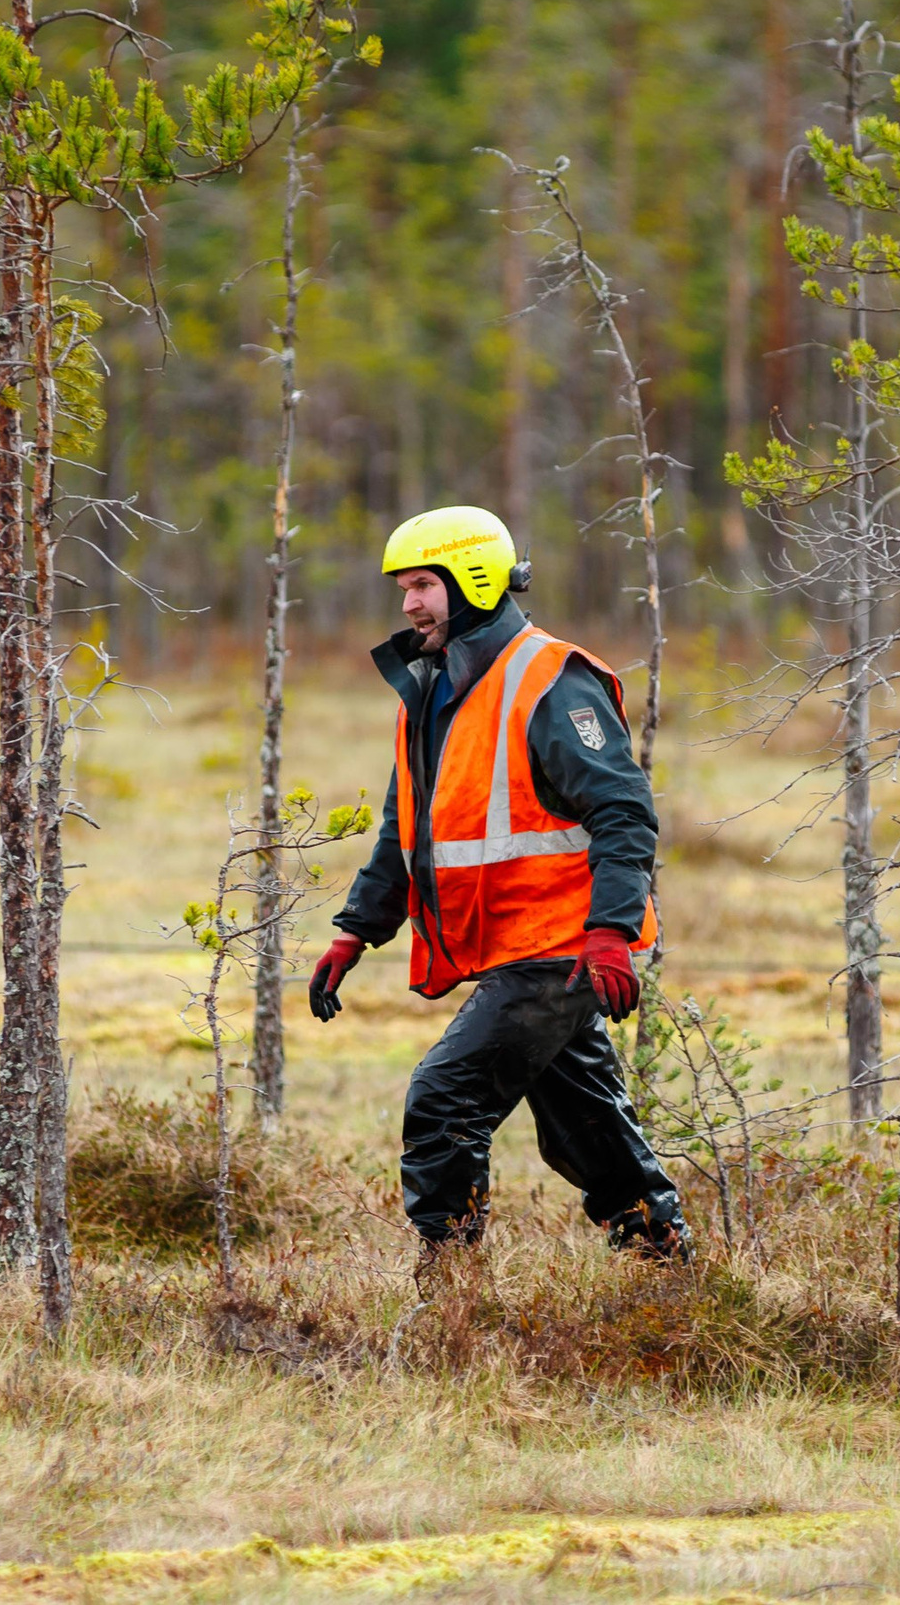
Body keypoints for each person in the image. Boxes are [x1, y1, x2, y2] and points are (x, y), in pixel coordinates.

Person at [305, 505, 687, 1261]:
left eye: (422, 585)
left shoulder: (550, 678)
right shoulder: (434, 691)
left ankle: (450, 1285)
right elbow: (405, 828)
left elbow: (623, 811)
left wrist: (611, 930)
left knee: (445, 1097)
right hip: (512, 950)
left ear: (473, 582)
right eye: (404, 589)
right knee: (588, 1123)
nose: (409, 604)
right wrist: (358, 929)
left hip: (560, 948)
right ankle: (660, 1257)